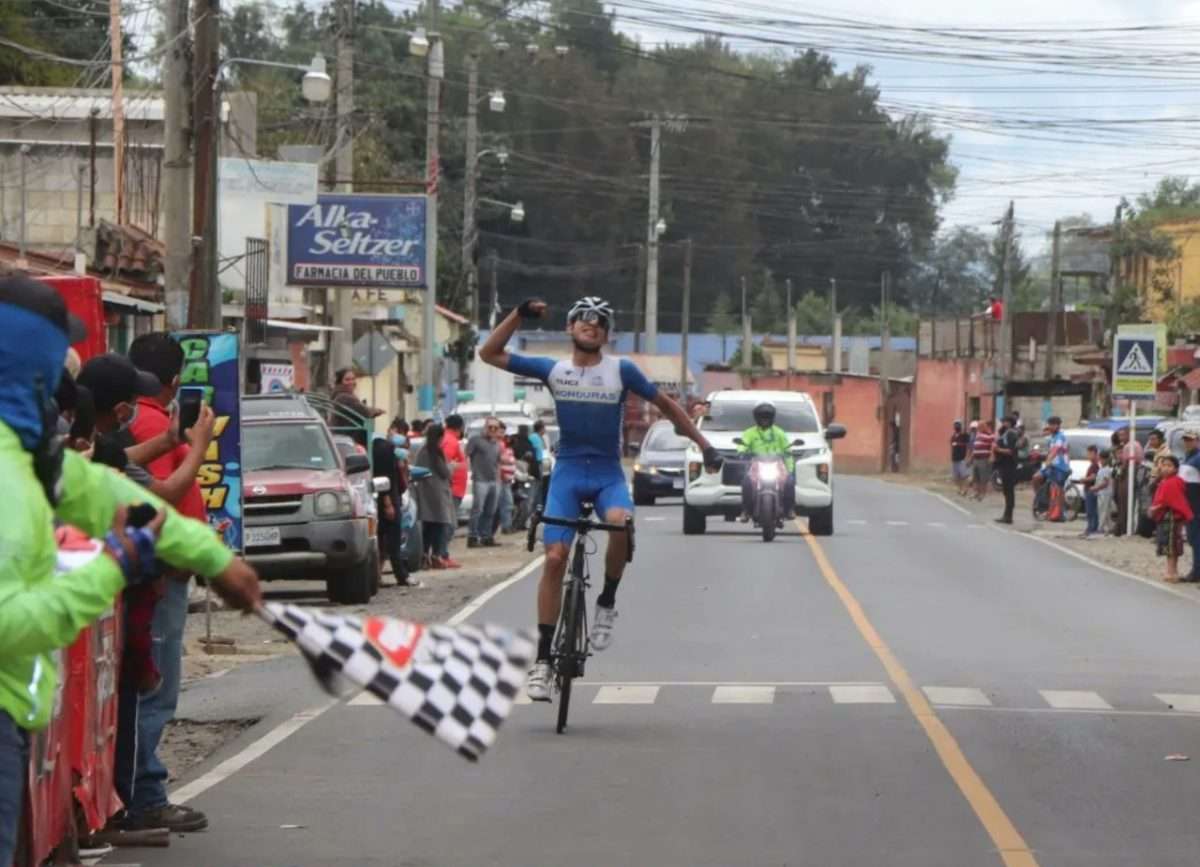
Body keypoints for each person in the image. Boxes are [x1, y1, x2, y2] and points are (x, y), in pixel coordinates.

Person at [0, 275, 262, 865]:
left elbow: (112, 496)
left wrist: (216, 561)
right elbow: (11, 625)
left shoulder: (28, 458)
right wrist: (112, 567)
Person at [479, 296, 720, 702]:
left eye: (600, 322)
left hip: (607, 473)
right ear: (571, 327)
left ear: (607, 335)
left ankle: (606, 600)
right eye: (583, 320)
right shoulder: (553, 369)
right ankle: (542, 660)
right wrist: (518, 315)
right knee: (554, 559)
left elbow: (667, 407)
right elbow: (489, 353)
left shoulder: (621, 371)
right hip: (569, 473)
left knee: (620, 524)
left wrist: (704, 445)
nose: (591, 325)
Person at [736, 401, 796, 521]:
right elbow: (743, 445)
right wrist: (742, 451)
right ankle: (746, 510)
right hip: (757, 464)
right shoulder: (750, 433)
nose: (764, 420)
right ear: (756, 418)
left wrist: (789, 467)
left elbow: (787, 449)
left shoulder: (779, 433)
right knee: (747, 482)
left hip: (777, 464)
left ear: (772, 418)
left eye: (767, 417)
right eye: (762, 417)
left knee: (789, 482)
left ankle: (789, 509)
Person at [413, 423, 460, 570]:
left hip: (425, 491)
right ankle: (437, 555)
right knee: (440, 524)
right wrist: (452, 466)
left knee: (428, 525)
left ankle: (425, 555)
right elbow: (444, 472)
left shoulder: (422, 451)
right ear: (439, 437)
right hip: (438, 492)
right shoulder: (436, 452)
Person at [1151, 455, 1192, 583]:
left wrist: (1156, 508)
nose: (1166, 468)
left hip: (1171, 518)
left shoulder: (1174, 482)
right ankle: (1172, 571)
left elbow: (1171, 500)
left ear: (1175, 469)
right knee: (1171, 546)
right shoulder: (1165, 481)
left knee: (1171, 546)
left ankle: (1171, 572)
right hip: (1168, 518)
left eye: (1169, 466)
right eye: (1164, 465)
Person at [466, 417, 501, 547]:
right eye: (490, 427)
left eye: (495, 428)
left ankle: (486, 536)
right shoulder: (476, 440)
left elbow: (497, 462)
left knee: (490, 510)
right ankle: (473, 536)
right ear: (485, 427)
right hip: (480, 480)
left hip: (493, 481)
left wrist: (498, 479)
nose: (492, 430)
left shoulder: (496, 444)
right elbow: (466, 455)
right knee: (478, 509)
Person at [1179, 430, 1200, 581]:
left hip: (1197, 505)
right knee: (1193, 539)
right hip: (1189, 505)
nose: (1187, 442)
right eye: (1185, 439)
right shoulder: (1188, 457)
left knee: (1196, 539)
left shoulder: (1198, 458)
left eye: (1190, 440)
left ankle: (1197, 572)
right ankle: (1196, 570)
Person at [992, 415, 1020, 524]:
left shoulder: (1011, 434)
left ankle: (1008, 516)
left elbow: (1010, 451)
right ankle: (1006, 515)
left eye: (1004, 421)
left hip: (1009, 465)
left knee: (1009, 491)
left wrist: (997, 449)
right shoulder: (1005, 433)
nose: (1002, 423)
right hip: (1004, 464)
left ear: (1009, 423)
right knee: (1006, 491)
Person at [442, 413, 468, 526]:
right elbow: (444, 464)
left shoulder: (449, 439)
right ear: (461, 427)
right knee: (450, 525)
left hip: (454, 489)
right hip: (452, 489)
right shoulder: (450, 441)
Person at [497, 421, 518, 534]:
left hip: (507, 479)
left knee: (507, 503)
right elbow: (498, 462)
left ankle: (507, 525)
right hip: (502, 479)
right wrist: (503, 475)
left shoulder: (504, 444)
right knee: (507, 503)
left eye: (503, 432)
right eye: (500, 431)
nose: (502, 434)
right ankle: (506, 526)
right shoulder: (498, 444)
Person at [1081, 444, 1103, 538]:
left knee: (1091, 511)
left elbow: (1093, 477)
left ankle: (1092, 528)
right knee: (1090, 511)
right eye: (1088, 453)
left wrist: (1084, 479)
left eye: (1091, 453)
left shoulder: (1095, 466)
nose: (1089, 456)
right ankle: (1090, 528)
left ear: (1095, 454)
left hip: (1091, 490)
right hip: (1088, 490)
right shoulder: (1092, 465)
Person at [970, 420, 994, 500]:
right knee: (975, 477)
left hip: (983, 459)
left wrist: (988, 432)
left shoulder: (988, 435)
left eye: (980, 426)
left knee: (983, 477)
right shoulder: (978, 435)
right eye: (978, 426)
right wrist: (971, 459)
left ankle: (982, 494)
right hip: (976, 459)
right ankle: (976, 492)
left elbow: (993, 439)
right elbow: (975, 448)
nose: (978, 428)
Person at [1094, 449, 1115, 536]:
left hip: (1105, 493)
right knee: (1104, 511)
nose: (1100, 461)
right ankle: (1110, 527)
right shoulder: (1101, 469)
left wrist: (1096, 488)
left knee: (1103, 510)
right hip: (1101, 493)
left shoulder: (1107, 470)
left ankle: (1100, 527)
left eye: (1101, 459)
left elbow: (1105, 483)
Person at [950, 420, 971, 496]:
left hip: (962, 459)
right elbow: (952, 447)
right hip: (954, 459)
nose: (956, 426)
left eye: (958, 425)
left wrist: (968, 457)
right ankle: (960, 489)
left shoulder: (964, 435)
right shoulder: (953, 436)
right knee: (956, 476)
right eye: (955, 425)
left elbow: (968, 445)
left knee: (965, 476)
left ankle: (965, 490)